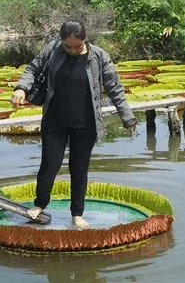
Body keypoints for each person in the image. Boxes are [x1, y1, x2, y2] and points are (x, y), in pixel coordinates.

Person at [11, 19, 137, 229]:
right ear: (62, 42)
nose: (72, 50)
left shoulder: (99, 56)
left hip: (85, 123)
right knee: (50, 165)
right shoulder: (53, 50)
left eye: (77, 46)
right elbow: (32, 69)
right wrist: (21, 88)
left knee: (78, 169)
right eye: (67, 46)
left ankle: (77, 214)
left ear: (85, 39)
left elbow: (115, 88)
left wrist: (127, 117)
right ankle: (40, 204)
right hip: (54, 120)